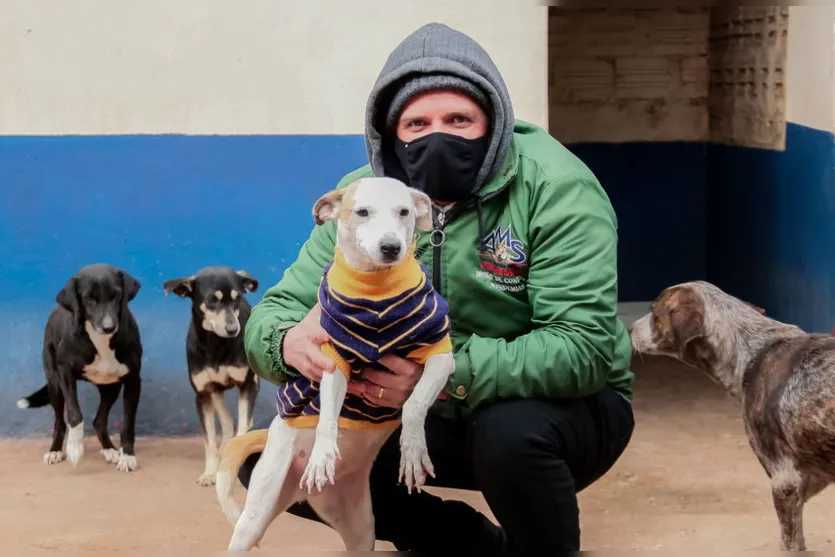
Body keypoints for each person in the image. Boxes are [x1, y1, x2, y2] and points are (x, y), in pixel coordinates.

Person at [238, 22, 635, 555]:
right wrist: (286, 344)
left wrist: (443, 376)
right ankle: (464, 541)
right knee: (272, 460)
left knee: (508, 435)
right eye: (417, 122)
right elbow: (277, 310)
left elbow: (583, 349)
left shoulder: (556, 186)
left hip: (559, 409)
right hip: (411, 407)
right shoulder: (369, 196)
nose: (437, 136)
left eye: (459, 120)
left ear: (493, 123)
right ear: (392, 133)